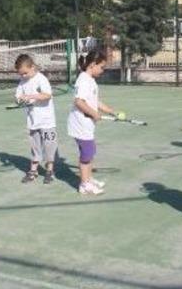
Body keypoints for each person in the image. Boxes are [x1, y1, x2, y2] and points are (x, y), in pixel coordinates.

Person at [67, 49, 117, 195]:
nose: (102, 71)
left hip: (87, 124)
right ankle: (84, 184)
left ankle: (88, 179)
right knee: (87, 153)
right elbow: (79, 102)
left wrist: (109, 110)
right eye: (101, 67)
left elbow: (94, 101)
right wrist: (94, 114)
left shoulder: (90, 80)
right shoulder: (83, 80)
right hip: (80, 123)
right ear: (93, 65)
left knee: (90, 151)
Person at [14, 54, 58, 184]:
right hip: (32, 122)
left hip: (47, 122)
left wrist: (31, 96)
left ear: (32, 67)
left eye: (25, 73)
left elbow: (47, 95)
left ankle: (50, 170)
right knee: (35, 147)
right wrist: (19, 100)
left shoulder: (41, 79)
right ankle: (33, 170)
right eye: (20, 74)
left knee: (49, 147)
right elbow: (18, 96)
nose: (23, 76)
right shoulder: (22, 82)